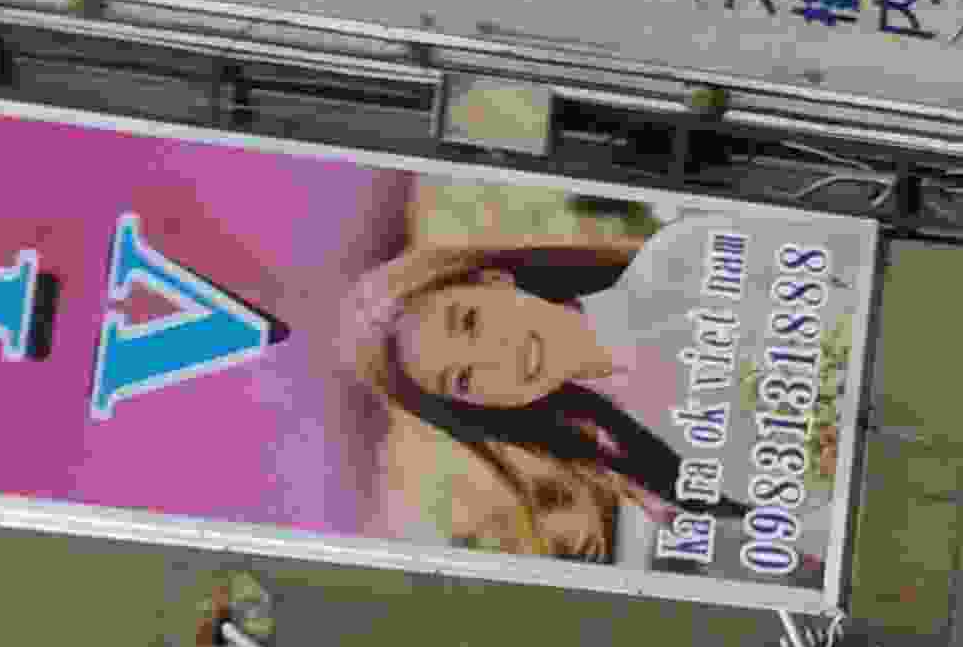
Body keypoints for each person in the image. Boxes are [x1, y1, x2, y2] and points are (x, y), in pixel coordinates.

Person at [334, 215, 786, 574]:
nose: (499, 357)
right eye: (464, 380)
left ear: (493, 280)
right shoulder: (626, 464)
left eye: (470, 322)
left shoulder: (681, 266)